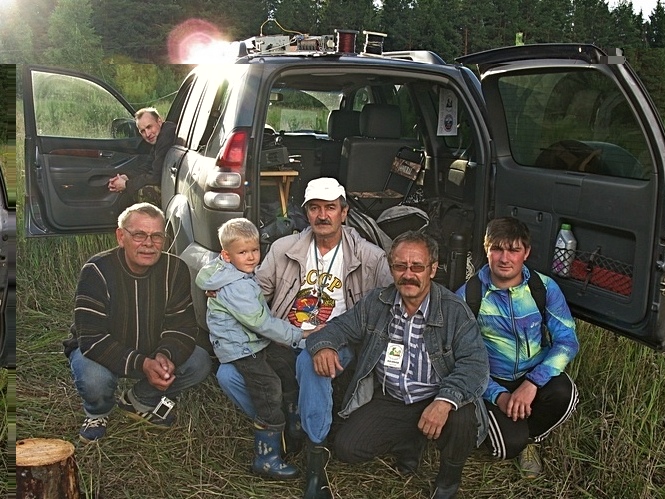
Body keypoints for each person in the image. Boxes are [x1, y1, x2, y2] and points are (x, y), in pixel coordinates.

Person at [215, 177, 393, 498]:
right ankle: (281, 426)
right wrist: (226, 286)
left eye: (330, 208)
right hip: (285, 336)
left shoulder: (370, 256)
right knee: (228, 373)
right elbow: (257, 291)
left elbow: (390, 301)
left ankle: (315, 460)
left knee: (312, 364)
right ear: (306, 212)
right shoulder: (285, 248)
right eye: (314, 208)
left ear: (344, 212)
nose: (322, 215)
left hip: (337, 339)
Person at [306, 231, 489, 499]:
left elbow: (476, 365)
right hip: (392, 398)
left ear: (433, 269)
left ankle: (448, 480)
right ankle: (410, 440)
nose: (408, 274)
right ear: (391, 268)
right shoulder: (377, 302)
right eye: (400, 266)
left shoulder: (454, 310)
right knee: (348, 448)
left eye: (417, 267)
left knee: (462, 416)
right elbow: (339, 327)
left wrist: (444, 401)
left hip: (437, 396)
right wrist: (324, 345)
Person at [64, 202, 212, 443]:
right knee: (94, 378)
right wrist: (142, 364)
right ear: (121, 237)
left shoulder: (176, 269)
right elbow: (91, 339)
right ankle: (97, 413)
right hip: (102, 350)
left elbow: (183, 327)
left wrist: (165, 356)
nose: (148, 244)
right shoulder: (96, 270)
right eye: (139, 235)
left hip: (152, 347)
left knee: (199, 361)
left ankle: (139, 399)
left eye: (157, 236)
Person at [456, 217, 579, 477]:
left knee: (565, 394)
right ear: (486, 250)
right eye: (497, 249)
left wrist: (532, 383)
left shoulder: (543, 288)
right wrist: (497, 395)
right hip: (490, 380)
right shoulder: (468, 296)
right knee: (507, 447)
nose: (505, 258)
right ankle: (512, 434)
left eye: (513, 250)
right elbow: (460, 359)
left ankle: (531, 439)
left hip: (533, 375)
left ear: (526, 252)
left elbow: (567, 341)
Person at [195, 218, 314, 480]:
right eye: (243, 252)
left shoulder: (232, 272)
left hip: (253, 342)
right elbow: (260, 322)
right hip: (241, 348)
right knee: (268, 389)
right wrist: (299, 334)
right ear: (227, 255)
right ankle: (266, 457)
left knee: (285, 363)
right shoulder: (235, 286)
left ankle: (294, 427)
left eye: (254, 250)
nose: (251, 257)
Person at [108, 107, 176, 210]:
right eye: (142, 131)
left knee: (145, 192)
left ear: (159, 121)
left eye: (149, 127)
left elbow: (155, 177)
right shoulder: (159, 137)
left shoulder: (167, 135)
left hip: (172, 188)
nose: (147, 134)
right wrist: (127, 177)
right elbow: (148, 166)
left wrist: (126, 185)